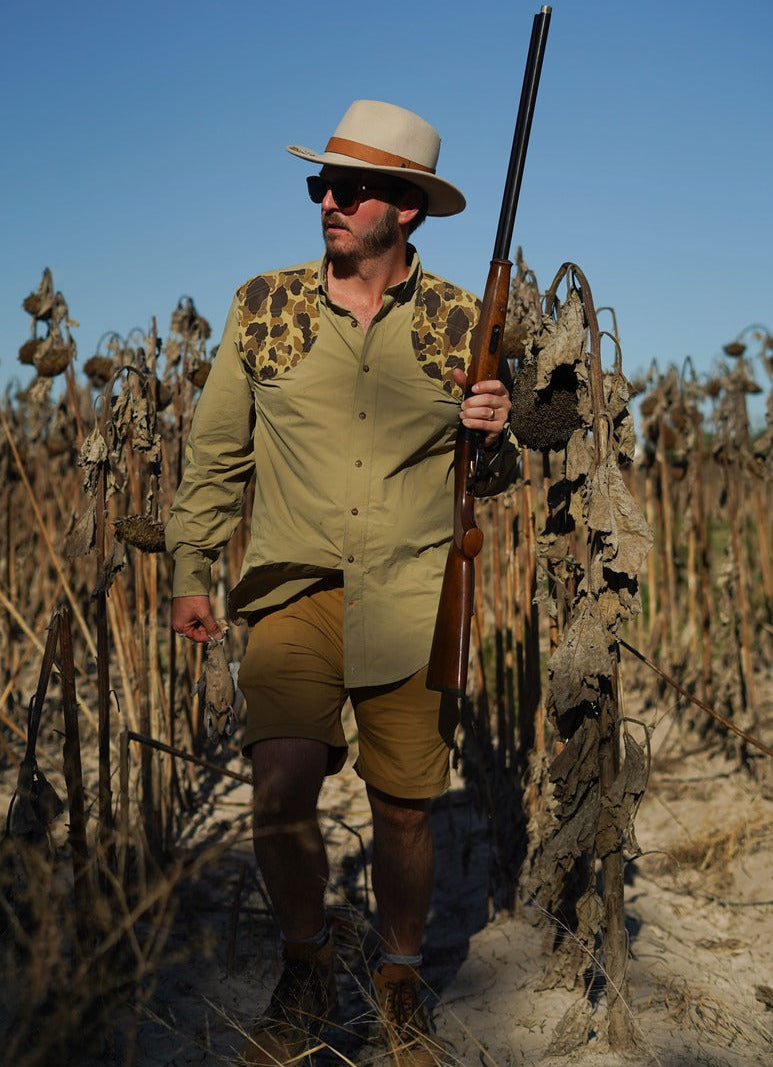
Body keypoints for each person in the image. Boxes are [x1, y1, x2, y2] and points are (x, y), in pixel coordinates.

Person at [166, 99, 517, 1067]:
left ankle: (400, 983)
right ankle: (305, 967)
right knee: (279, 793)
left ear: (404, 209)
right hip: (291, 585)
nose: (326, 198)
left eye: (350, 187)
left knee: (403, 806)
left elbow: (491, 475)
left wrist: (493, 425)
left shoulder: (462, 320)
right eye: (320, 183)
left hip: (411, 590)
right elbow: (215, 451)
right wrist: (190, 566)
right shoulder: (263, 302)